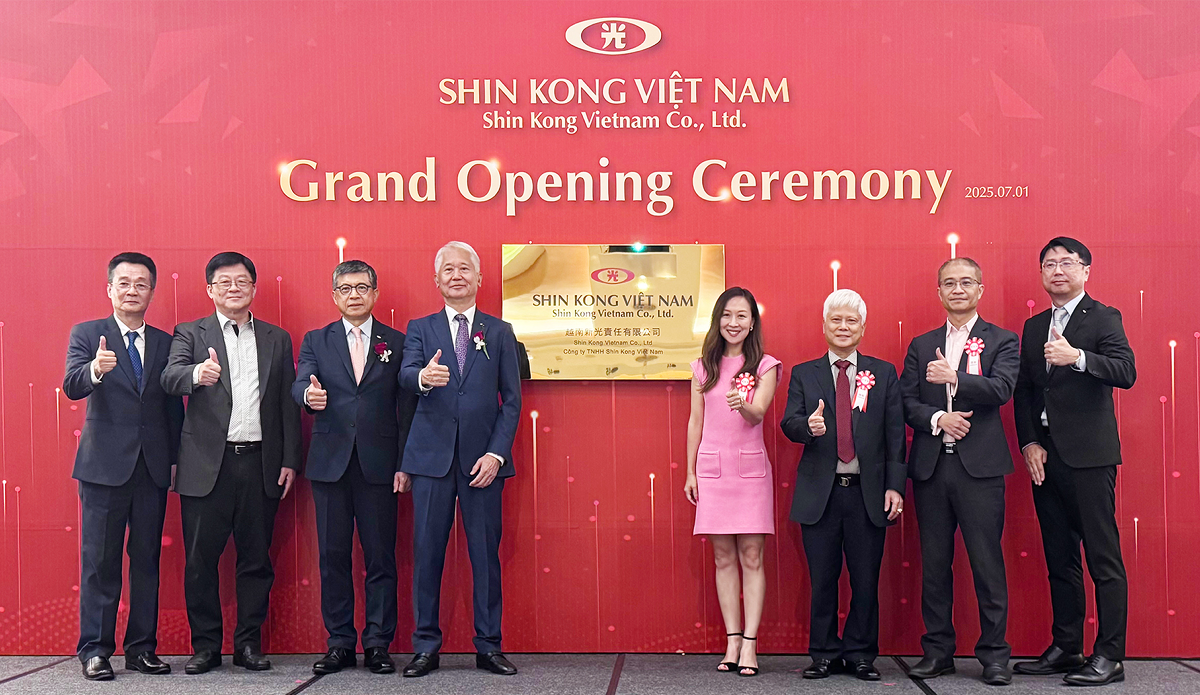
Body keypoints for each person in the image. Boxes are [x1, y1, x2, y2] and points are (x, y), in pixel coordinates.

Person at [161, 251, 301, 674]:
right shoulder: (190, 332)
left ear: (254, 288)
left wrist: (290, 458)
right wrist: (195, 375)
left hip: (260, 463)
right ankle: (205, 646)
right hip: (207, 465)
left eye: (241, 281)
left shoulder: (277, 338)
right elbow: (169, 377)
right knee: (200, 562)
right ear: (210, 289)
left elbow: (286, 403)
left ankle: (248, 644)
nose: (233, 288)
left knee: (256, 560)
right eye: (224, 282)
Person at [1013, 237, 1136, 686]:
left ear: (1085, 271)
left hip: (1089, 457)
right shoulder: (1033, 326)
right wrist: (1030, 442)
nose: (1058, 270)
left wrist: (1078, 358)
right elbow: (1026, 391)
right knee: (1059, 557)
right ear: (1041, 274)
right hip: (1046, 457)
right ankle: (1067, 647)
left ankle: (1110, 655)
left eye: (1067, 263)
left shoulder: (1104, 316)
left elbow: (1126, 371)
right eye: (1049, 264)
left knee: (1103, 559)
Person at [399, 241, 522, 678]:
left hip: (482, 463)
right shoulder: (420, 328)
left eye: (464, 268)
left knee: (485, 556)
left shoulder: (500, 332)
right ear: (437, 280)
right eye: (448, 269)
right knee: (427, 554)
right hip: (431, 460)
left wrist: (496, 453)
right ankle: (425, 647)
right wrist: (422, 377)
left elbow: (512, 401)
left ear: (479, 278)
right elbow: (405, 375)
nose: (456, 275)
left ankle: (489, 646)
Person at [63, 252, 183, 681]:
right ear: (110, 289)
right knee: (100, 562)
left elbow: (173, 409)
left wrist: (174, 460)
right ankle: (95, 650)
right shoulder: (87, 333)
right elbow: (71, 385)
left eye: (141, 284)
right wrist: (95, 369)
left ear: (152, 291)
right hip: (102, 468)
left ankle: (142, 649)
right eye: (125, 283)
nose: (133, 291)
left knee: (146, 560)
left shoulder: (167, 343)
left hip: (151, 467)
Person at [293, 260, 417, 676]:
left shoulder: (397, 342)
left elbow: (406, 408)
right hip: (330, 464)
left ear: (375, 293)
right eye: (345, 289)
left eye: (362, 287)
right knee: (333, 557)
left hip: (380, 466)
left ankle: (378, 643)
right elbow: (300, 382)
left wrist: (405, 464)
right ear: (334, 296)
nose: (354, 295)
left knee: (381, 557)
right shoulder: (317, 340)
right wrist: (307, 397)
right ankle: (340, 643)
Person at [900, 258, 1019, 686]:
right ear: (939, 292)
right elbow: (906, 402)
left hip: (980, 471)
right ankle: (938, 652)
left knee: (987, 563)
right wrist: (938, 419)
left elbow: (1002, 389)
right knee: (934, 565)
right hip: (932, 469)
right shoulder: (921, 345)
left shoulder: (1003, 340)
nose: (958, 289)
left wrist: (955, 379)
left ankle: (994, 656)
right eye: (949, 283)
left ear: (980, 289)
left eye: (966, 282)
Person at [780, 289, 905, 682]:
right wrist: (807, 427)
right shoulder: (805, 373)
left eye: (852, 321)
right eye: (836, 319)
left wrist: (895, 486)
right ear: (824, 326)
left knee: (866, 580)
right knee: (823, 580)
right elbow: (789, 423)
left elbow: (895, 434)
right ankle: (823, 654)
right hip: (822, 494)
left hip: (869, 493)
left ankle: (861, 655)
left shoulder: (883, 372)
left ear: (863, 328)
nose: (844, 327)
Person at [683, 287, 780, 677]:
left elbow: (758, 415)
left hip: (751, 473)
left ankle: (751, 644)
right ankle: (732, 641)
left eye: (741, 316)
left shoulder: (766, 365)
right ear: (717, 320)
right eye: (727, 315)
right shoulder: (701, 368)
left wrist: (745, 405)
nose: (733, 323)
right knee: (722, 557)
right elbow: (696, 421)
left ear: (752, 322)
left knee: (752, 557)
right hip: (712, 471)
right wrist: (690, 471)